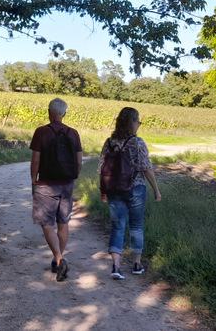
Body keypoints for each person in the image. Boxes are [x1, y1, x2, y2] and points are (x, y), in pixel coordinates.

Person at [97, 107, 162, 280]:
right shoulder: (137, 142)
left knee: (117, 226)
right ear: (132, 123)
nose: (138, 125)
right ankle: (136, 264)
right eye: (138, 122)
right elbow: (147, 168)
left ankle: (116, 267)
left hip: (114, 189)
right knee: (136, 225)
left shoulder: (109, 142)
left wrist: (102, 190)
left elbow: (101, 169)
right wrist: (156, 190)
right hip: (136, 189)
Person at [30, 97, 82, 281]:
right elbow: (78, 162)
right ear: (64, 113)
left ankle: (59, 259)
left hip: (46, 184)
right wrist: (70, 178)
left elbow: (35, 159)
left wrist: (33, 179)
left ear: (49, 112)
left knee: (46, 223)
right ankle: (56, 259)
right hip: (67, 184)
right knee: (63, 222)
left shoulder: (41, 132)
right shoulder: (74, 133)